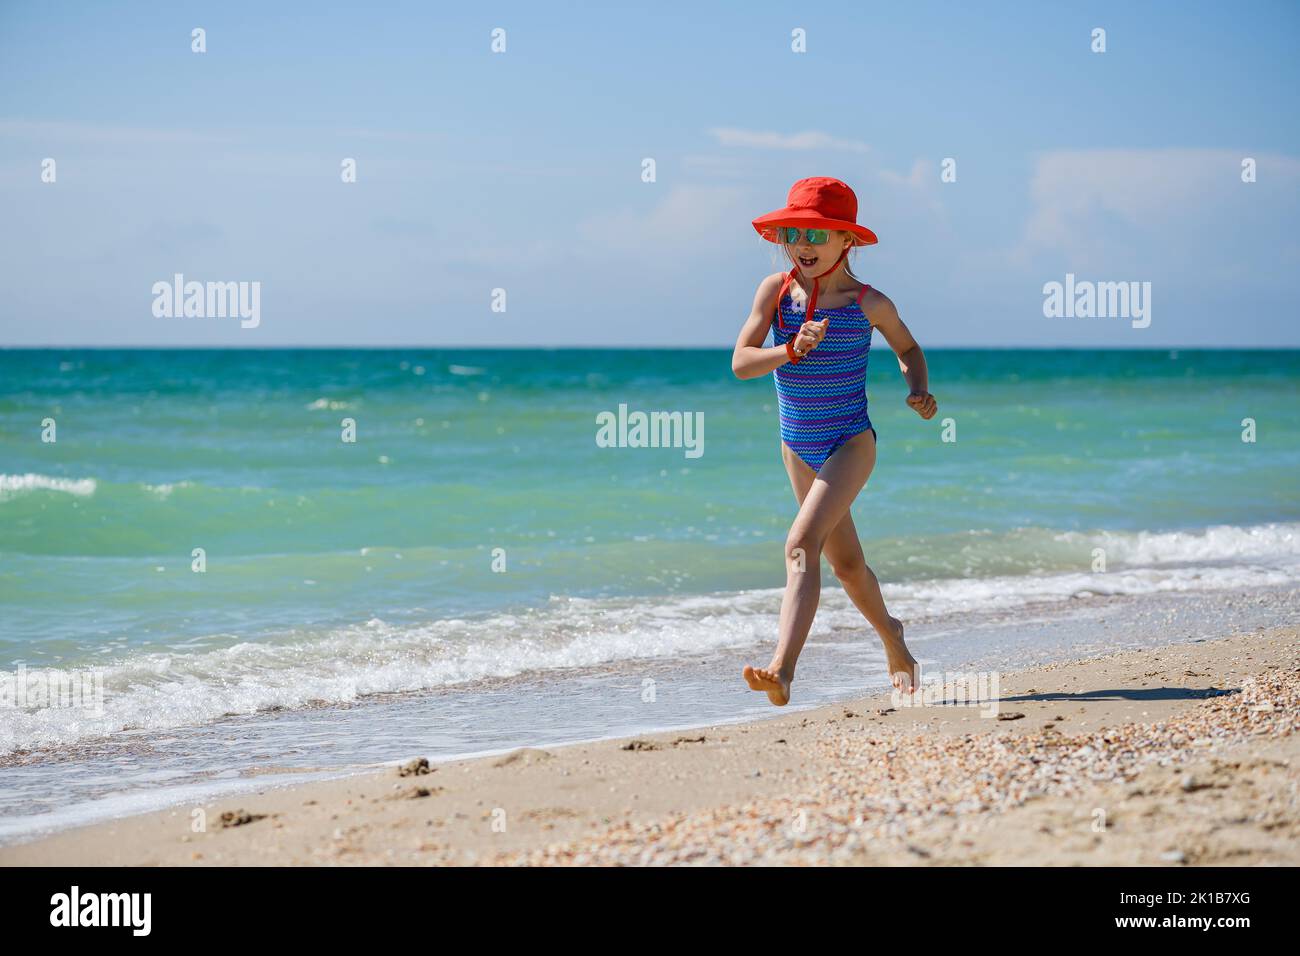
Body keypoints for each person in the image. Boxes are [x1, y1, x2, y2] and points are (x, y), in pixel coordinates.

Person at [731, 177, 937, 705]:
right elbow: (741, 363)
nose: (803, 243)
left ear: (847, 241)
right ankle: (895, 639)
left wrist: (918, 389)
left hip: (850, 443)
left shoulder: (869, 302)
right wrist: (789, 351)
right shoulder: (774, 292)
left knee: (800, 546)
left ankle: (781, 669)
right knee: (846, 565)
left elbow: (908, 348)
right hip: (796, 444)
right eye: (794, 232)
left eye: (818, 234)